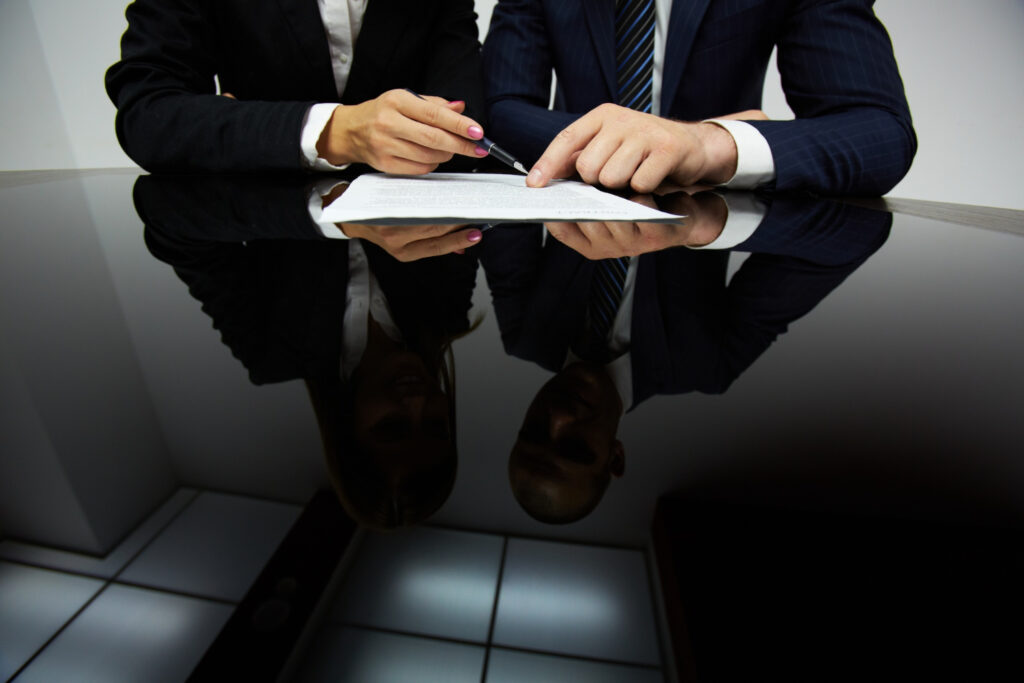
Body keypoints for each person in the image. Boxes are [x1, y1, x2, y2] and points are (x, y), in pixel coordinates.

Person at [481, 191, 894, 523]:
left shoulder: (524, 332)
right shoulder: (706, 364)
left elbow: (506, 198)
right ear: (615, 456)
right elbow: (856, 232)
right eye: (573, 447)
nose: (557, 418)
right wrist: (703, 221)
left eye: (533, 431)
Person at [136, 174, 482, 529]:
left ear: (347, 429)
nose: (417, 403)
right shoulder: (444, 314)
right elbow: (464, 187)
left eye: (392, 426)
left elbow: (167, 215)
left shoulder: (271, 351)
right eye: (435, 424)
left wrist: (322, 213)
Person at [482, 0, 916, 195]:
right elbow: (500, 108)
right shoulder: (531, 339)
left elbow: (879, 131)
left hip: (703, 240)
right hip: (562, 254)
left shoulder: (711, 368)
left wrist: (712, 143)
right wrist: (614, 145)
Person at [106, 0, 488, 173]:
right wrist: (330, 131)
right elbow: (149, 116)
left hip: (417, 261)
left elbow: (465, 119)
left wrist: (236, 120)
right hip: (264, 251)